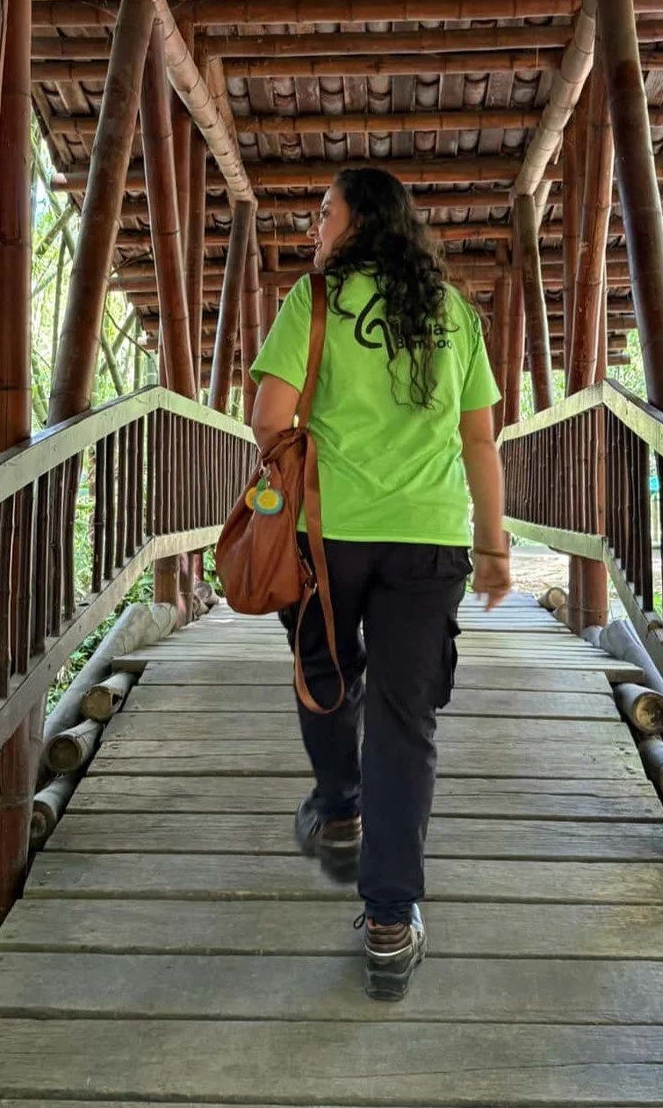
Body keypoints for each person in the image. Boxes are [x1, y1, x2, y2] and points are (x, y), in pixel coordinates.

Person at [249, 166, 511, 1001]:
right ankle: (391, 917)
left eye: (323, 213)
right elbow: (480, 441)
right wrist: (494, 545)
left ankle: (339, 803)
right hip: (431, 540)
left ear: (358, 221)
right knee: (407, 719)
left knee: (324, 673)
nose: (313, 227)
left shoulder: (314, 302)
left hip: (328, 536)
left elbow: (268, 419)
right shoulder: (457, 314)